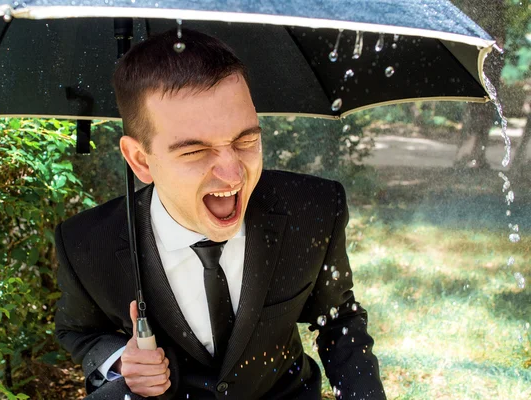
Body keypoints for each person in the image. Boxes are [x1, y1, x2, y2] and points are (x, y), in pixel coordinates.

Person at [55, 28, 386, 400]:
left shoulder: (313, 210)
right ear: (139, 160)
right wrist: (119, 360)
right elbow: (77, 331)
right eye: (194, 151)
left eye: (246, 141)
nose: (233, 174)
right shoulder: (85, 245)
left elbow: (338, 320)